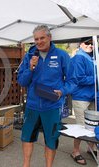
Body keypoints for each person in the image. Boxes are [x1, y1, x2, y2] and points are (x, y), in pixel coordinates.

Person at [17, 25, 76, 167]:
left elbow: (72, 80)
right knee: (27, 137)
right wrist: (30, 68)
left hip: (52, 106)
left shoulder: (62, 55)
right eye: (36, 39)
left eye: (42, 38)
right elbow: (22, 81)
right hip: (32, 105)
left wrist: (62, 91)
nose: (39, 41)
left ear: (49, 37)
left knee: (51, 139)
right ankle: (26, 165)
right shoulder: (29, 55)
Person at [70, 37, 95, 165]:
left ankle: (91, 147)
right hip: (81, 97)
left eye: (92, 42)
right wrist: (96, 78)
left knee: (93, 124)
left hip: (93, 95)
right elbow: (79, 78)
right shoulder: (79, 57)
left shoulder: (92, 56)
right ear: (80, 44)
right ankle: (75, 151)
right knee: (80, 126)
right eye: (87, 43)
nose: (91, 45)